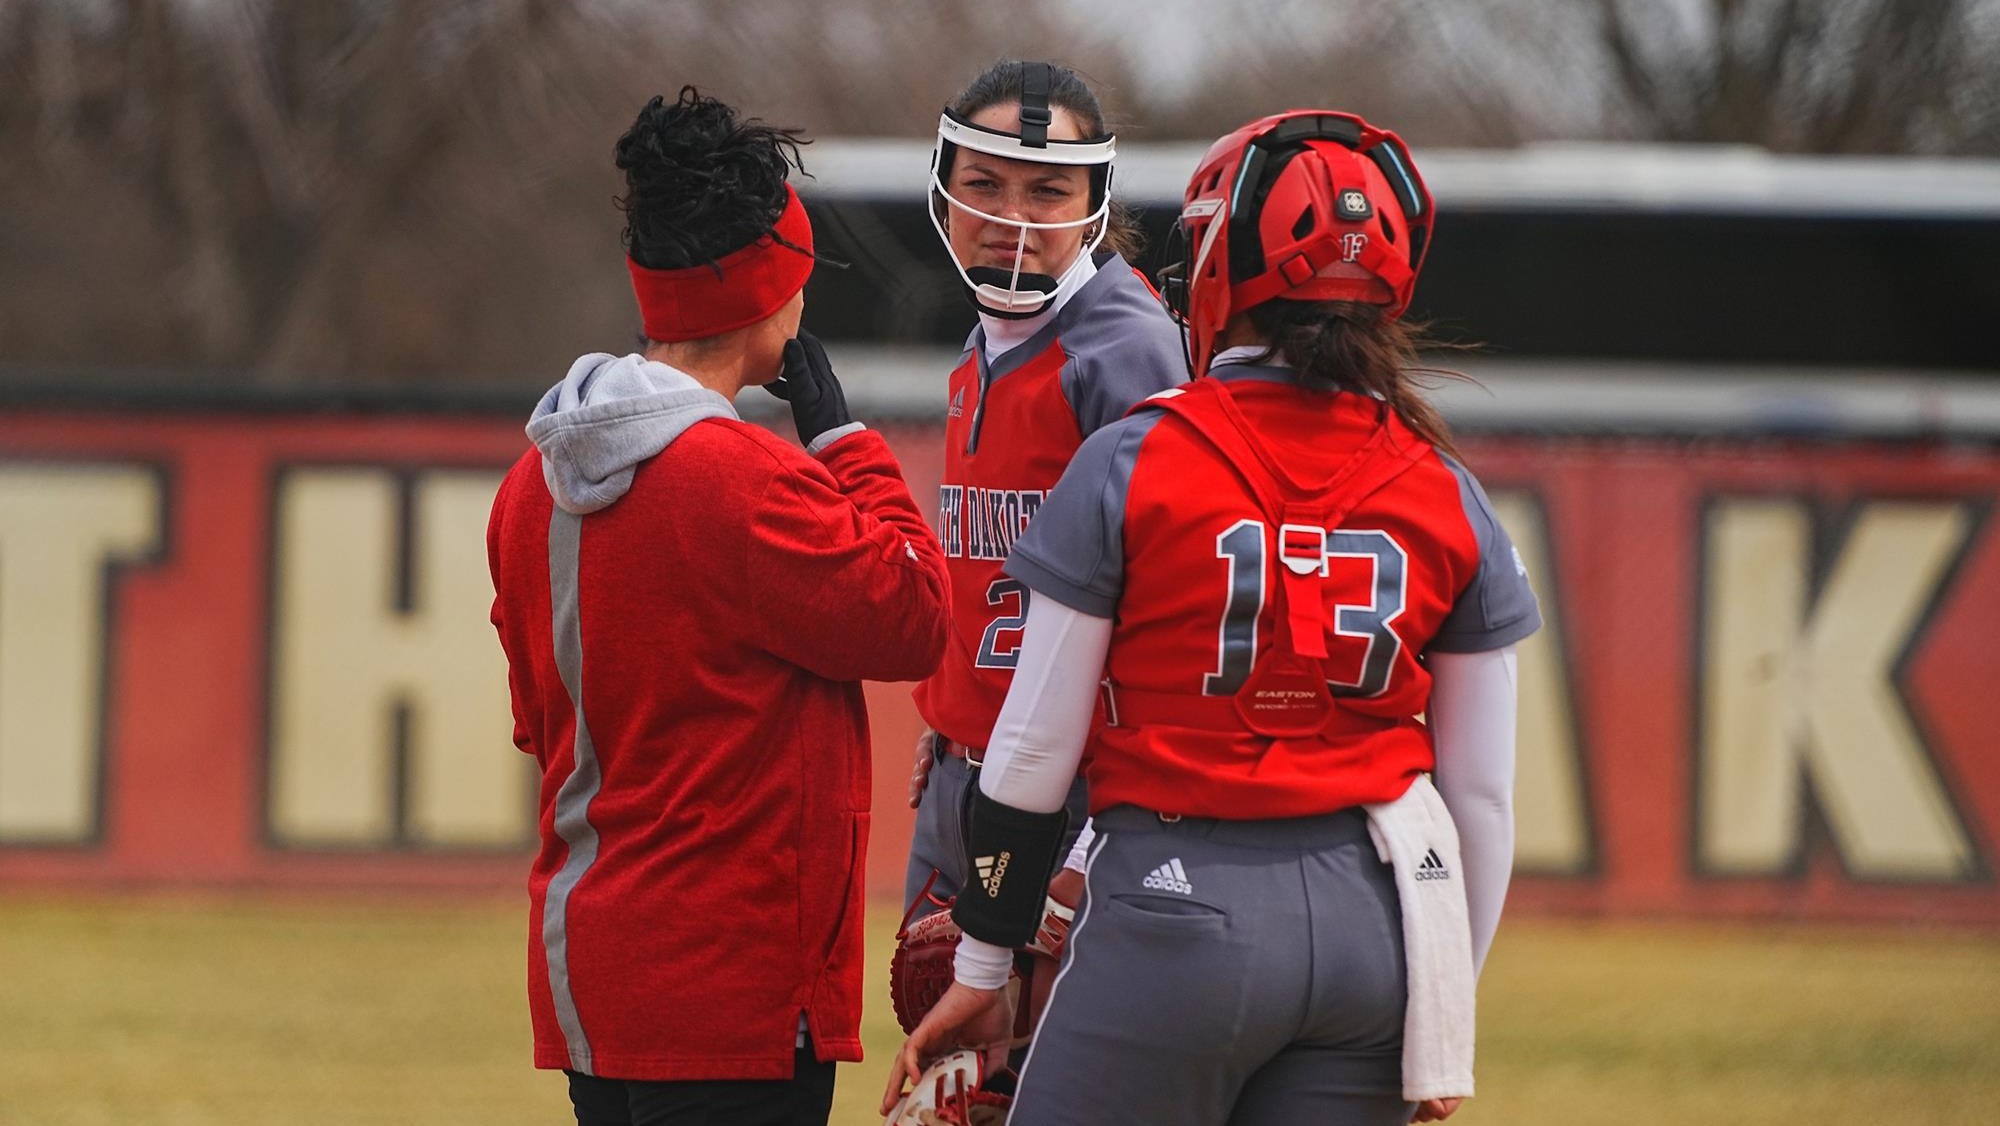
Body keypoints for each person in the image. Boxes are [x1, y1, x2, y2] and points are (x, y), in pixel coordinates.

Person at [884, 109, 1540, 1126]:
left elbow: (1032, 744)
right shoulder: (1445, 485)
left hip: (1173, 905)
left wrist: (980, 956)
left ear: (1220, 263)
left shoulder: (1135, 456)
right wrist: (1440, 1000)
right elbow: (1482, 797)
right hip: (1375, 928)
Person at [486, 88, 950, 1126]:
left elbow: (537, 722)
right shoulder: (745, 479)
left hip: (594, 975)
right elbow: (917, 610)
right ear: (778, 289)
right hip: (733, 994)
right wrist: (843, 443)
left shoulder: (531, 483)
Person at [902, 58, 1186, 922]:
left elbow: (1168, 614)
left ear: (1092, 206)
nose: (1008, 218)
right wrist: (956, 710)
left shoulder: (1125, 354)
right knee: (943, 1050)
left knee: (1023, 1052)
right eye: (984, 183)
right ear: (945, 191)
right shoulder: (987, 337)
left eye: (1046, 192)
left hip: (1066, 799)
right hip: (964, 770)